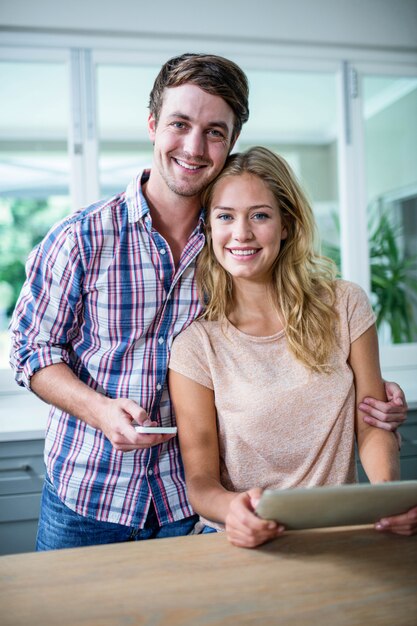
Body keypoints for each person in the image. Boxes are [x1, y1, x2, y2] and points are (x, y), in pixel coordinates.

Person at [9, 54, 407, 551]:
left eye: (214, 131)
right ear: (153, 125)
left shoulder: (228, 236)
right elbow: (30, 349)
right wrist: (99, 410)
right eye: (179, 124)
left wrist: (364, 387)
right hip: (91, 495)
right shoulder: (81, 239)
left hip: (185, 505)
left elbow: (297, 336)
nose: (194, 147)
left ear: (230, 141)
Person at [168, 146, 417, 548]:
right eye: (225, 216)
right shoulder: (197, 346)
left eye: (260, 215)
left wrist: (389, 497)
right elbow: (200, 481)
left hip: (343, 534)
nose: (242, 233)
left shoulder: (343, 304)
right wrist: (235, 510)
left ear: (286, 225)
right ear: (210, 228)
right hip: (248, 542)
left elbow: (373, 421)